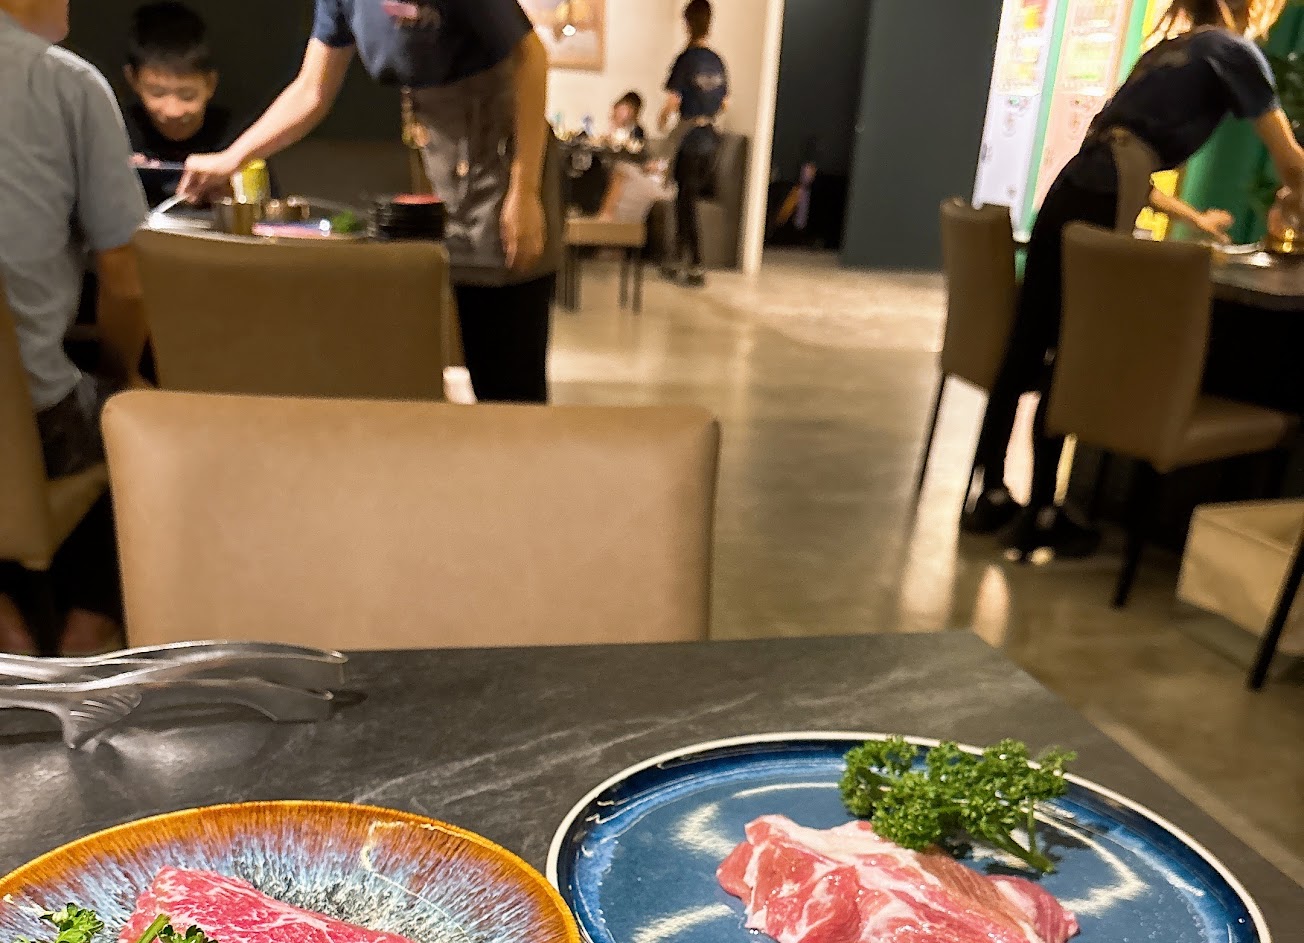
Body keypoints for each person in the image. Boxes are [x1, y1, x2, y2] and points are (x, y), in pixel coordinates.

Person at [962, 0, 1304, 561]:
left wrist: (1194, 220)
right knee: (1075, 347)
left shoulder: (1170, 50)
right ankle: (1043, 510)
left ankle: (991, 493)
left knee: (1029, 338)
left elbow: (1124, 158)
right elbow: (1291, 164)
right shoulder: (1235, 51)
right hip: (1104, 189)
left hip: (1072, 184)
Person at [179, 0, 559, 404]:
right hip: (435, 167)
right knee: (415, 360)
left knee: (506, 373)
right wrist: (231, 159)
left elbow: (531, 57)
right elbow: (311, 91)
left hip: (503, 167)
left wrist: (524, 191)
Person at [0, 0, 150, 655]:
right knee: (143, 419)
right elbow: (126, 277)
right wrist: (125, 369)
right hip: (27, 425)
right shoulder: (64, 81)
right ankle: (86, 633)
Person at [122, 1, 248, 208]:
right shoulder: (116, 133)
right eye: (157, 93)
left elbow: (267, 212)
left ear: (210, 84)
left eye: (187, 95)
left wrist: (234, 196)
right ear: (133, 79)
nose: (173, 110)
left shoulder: (239, 139)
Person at [659, 0, 728, 288]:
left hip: (689, 141)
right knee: (689, 199)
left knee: (685, 202)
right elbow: (724, 104)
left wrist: (662, 119)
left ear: (687, 23)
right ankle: (678, 258)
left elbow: (673, 101)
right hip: (711, 140)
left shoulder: (686, 60)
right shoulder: (717, 61)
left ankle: (696, 262)